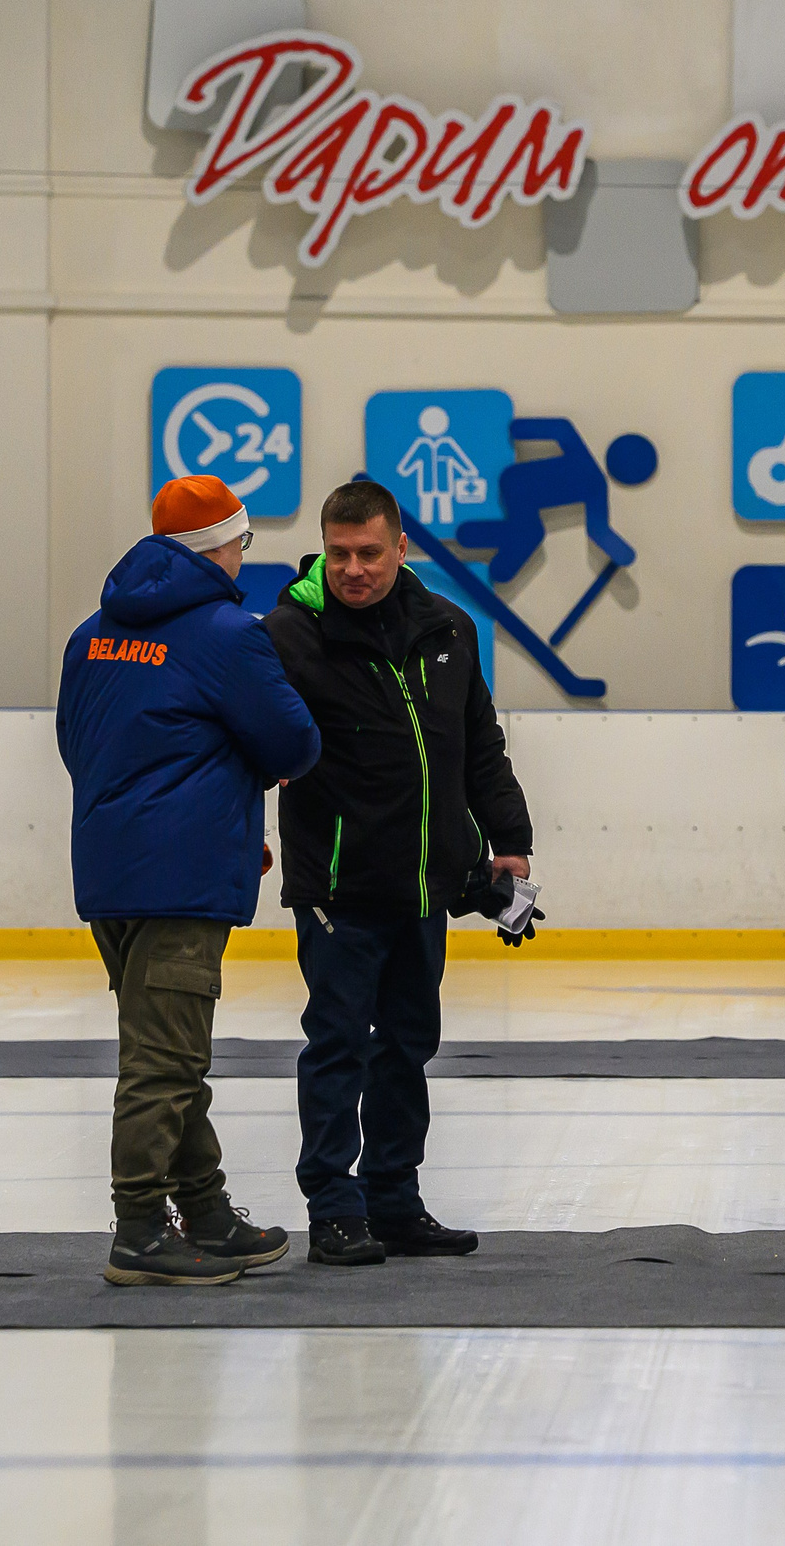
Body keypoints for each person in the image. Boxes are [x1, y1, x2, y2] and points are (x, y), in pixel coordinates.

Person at [58, 476, 322, 1287]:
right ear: (222, 546)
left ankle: (203, 1208)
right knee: (164, 1063)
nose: (246, 556)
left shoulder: (92, 635)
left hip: (110, 869)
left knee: (165, 1051)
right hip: (182, 880)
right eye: (243, 541)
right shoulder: (225, 633)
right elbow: (294, 744)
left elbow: (77, 742)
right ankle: (139, 1227)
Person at [265, 479, 535, 1267]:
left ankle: (394, 1198)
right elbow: (249, 742)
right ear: (325, 547)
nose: (354, 568)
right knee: (339, 1045)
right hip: (338, 892)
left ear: (401, 546)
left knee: (407, 1046)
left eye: (370, 552)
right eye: (341, 553)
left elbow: (478, 746)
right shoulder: (287, 635)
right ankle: (333, 1207)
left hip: (426, 887)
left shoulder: (448, 628)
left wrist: (509, 839)